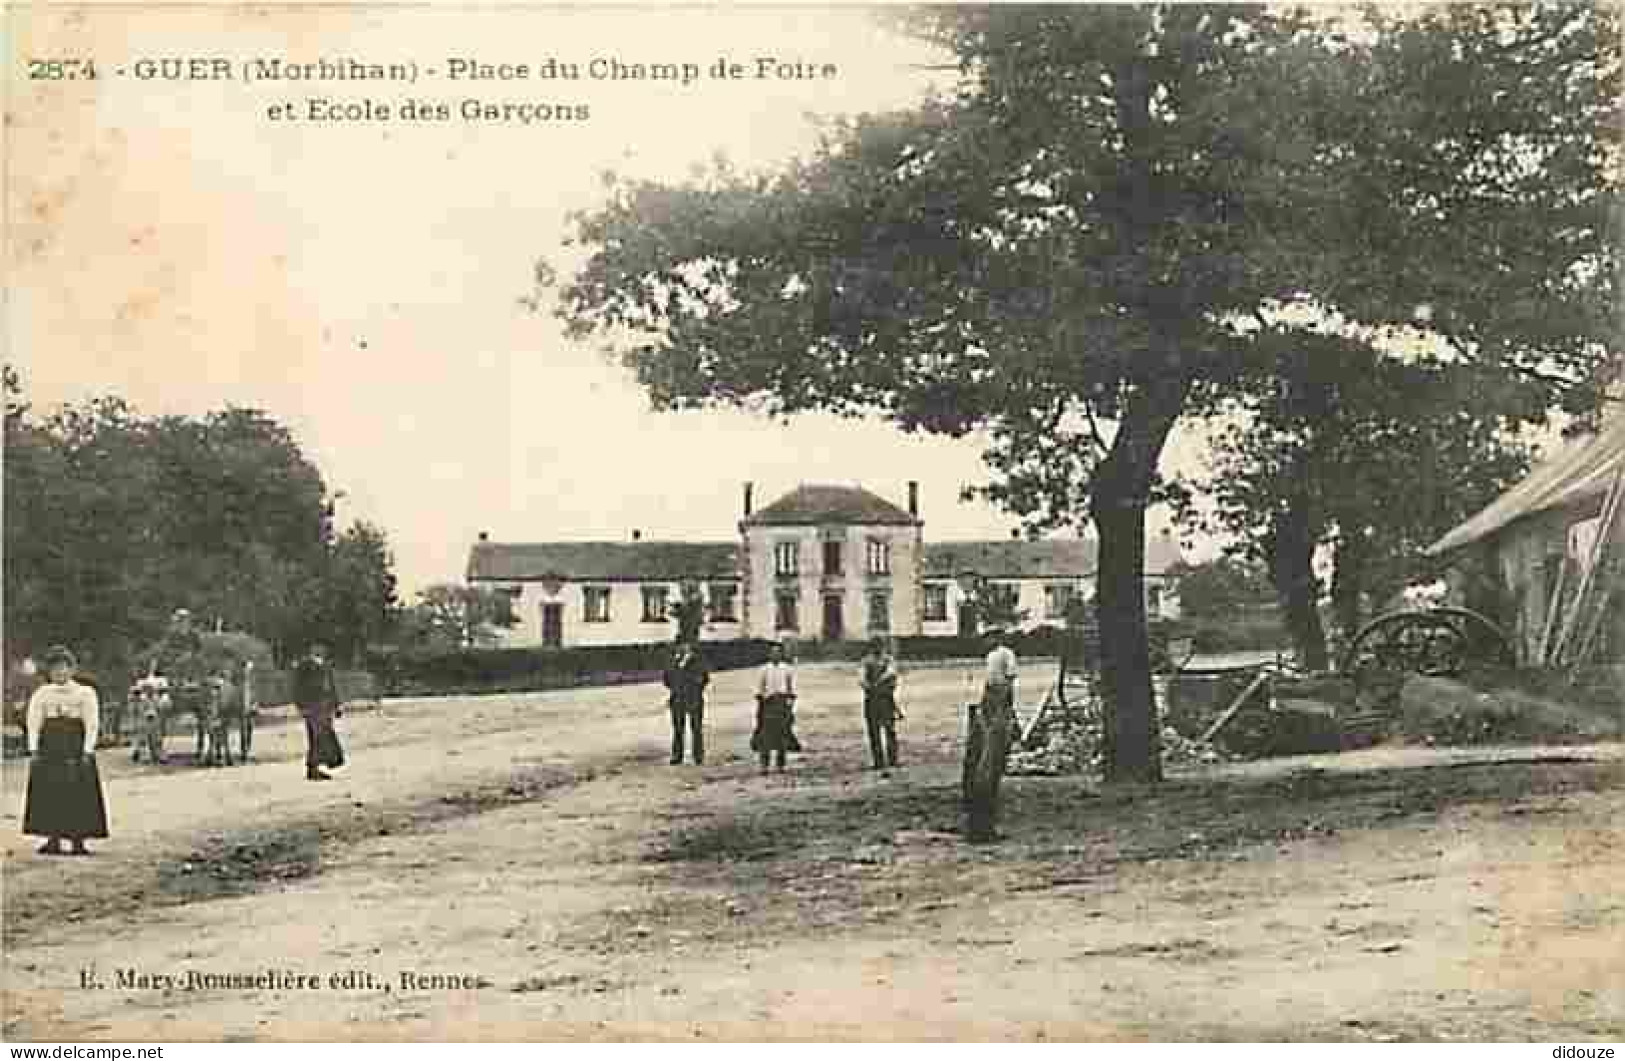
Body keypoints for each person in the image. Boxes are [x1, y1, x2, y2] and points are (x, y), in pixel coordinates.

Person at [23, 646, 109, 856]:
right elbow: (34, 722)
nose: (59, 673)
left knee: (78, 791)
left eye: (64, 668)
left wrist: (88, 749)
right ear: (49, 672)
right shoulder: (42, 694)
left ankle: (78, 841)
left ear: (72, 669)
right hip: (51, 747)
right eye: (55, 669)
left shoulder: (84, 693)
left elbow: (92, 723)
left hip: (75, 745)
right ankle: (52, 839)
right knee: (51, 790)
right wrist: (33, 749)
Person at [963, 628, 1018, 843]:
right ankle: (982, 825)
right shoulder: (992, 657)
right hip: (992, 701)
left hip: (998, 697)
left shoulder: (1005, 654)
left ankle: (982, 824)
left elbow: (1008, 681)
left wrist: (1001, 703)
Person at [291, 642, 344, 781]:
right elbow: (297, 688)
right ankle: (313, 769)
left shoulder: (326, 667)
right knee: (317, 737)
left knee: (322, 737)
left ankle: (316, 767)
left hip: (324, 707)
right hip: (312, 707)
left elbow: (332, 688)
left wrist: (337, 706)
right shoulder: (304, 667)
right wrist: (301, 706)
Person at [752, 642, 799, 774]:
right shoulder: (764, 669)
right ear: (769, 655)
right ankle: (764, 765)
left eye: (778, 653)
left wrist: (789, 703)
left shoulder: (787, 669)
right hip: (769, 704)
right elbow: (760, 689)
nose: (776, 655)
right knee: (765, 736)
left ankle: (781, 765)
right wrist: (761, 704)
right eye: (773, 653)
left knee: (782, 735)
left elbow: (791, 688)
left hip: (782, 703)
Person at [662, 639, 710, 765]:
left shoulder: (698, 661)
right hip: (677, 699)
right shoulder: (673, 661)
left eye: (684, 645)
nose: (681, 648)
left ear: (689, 646)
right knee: (678, 729)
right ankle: (677, 756)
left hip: (694, 699)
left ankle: (698, 756)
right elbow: (666, 679)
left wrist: (693, 688)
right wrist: (675, 687)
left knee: (696, 728)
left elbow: (704, 679)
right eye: (679, 646)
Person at [860, 637, 902, 771]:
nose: (878, 649)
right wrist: (874, 685)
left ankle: (890, 759)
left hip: (883, 699)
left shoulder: (885, 661)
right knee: (876, 731)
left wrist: (873, 685)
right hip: (877, 699)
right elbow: (862, 680)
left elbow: (891, 674)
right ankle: (882, 760)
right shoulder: (869, 662)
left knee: (886, 731)